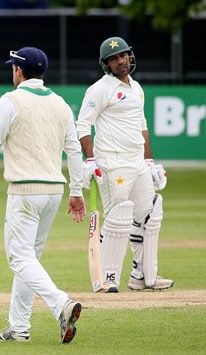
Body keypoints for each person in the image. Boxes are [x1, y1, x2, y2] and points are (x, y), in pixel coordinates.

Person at [0, 47, 86, 344]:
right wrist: (77, 190)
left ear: (19, 71)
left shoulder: (11, 100)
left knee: (20, 258)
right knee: (29, 259)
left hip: (25, 190)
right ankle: (19, 328)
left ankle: (61, 304)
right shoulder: (60, 104)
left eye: (13, 68)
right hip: (54, 192)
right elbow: (74, 150)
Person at [76, 36, 173, 292]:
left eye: (124, 55)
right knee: (118, 217)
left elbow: (142, 126)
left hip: (137, 163)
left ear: (130, 55)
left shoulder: (137, 88)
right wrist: (90, 159)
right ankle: (107, 279)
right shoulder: (99, 89)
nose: (121, 61)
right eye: (115, 58)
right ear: (106, 64)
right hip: (112, 163)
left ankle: (142, 276)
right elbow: (83, 124)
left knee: (150, 216)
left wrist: (150, 161)